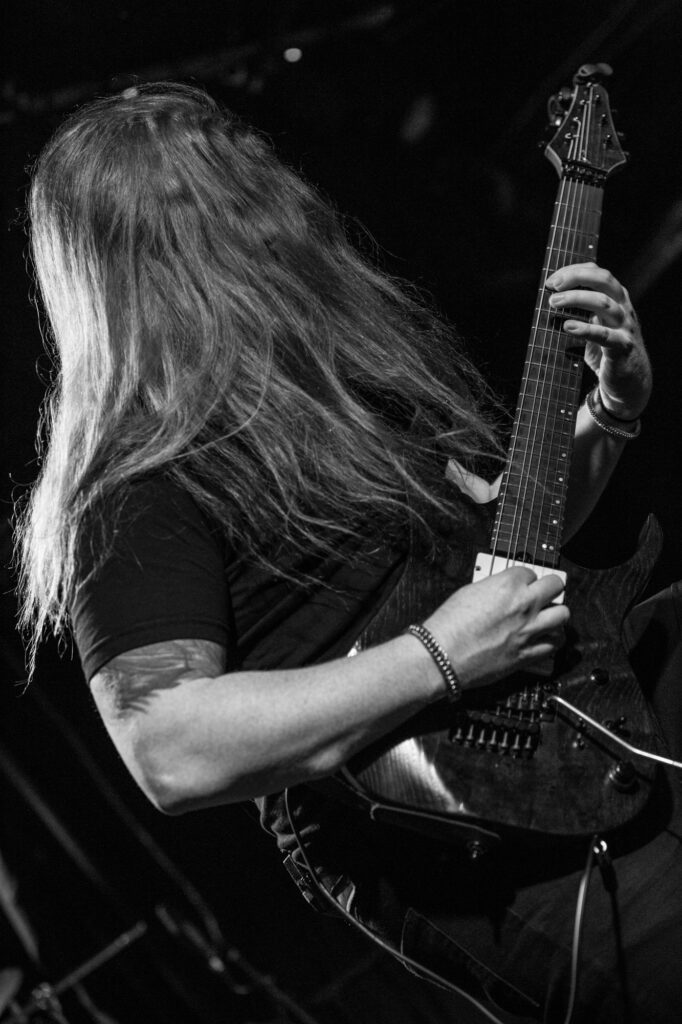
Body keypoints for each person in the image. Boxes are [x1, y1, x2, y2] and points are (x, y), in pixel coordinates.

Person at [16, 83, 681, 1023]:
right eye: (228, 191)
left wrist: (612, 407)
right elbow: (172, 750)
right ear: (157, 255)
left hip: (594, 696)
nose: (278, 204)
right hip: (458, 818)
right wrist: (442, 655)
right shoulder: (132, 485)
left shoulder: (335, 385)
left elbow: (509, 548)